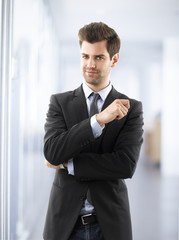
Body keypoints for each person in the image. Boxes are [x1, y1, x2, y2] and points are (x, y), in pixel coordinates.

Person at [43, 22, 144, 240]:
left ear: (113, 59)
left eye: (98, 57)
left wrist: (69, 164)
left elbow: (125, 165)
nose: (90, 64)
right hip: (65, 225)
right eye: (85, 56)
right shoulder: (59, 103)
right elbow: (52, 152)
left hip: (109, 224)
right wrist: (97, 120)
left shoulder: (131, 108)